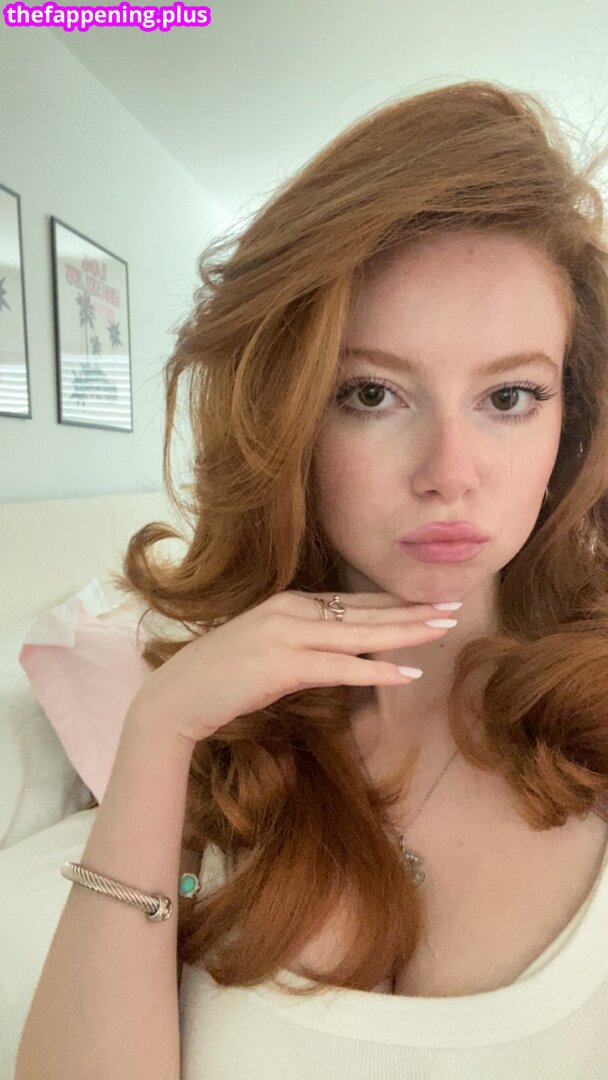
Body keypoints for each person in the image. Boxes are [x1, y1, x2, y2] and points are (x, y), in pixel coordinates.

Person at [17, 80, 608, 1079]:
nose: (449, 473)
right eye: (372, 393)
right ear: (287, 417)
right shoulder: (216, 742)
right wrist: (157, 734)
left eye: (509, 396)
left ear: (570, 422)